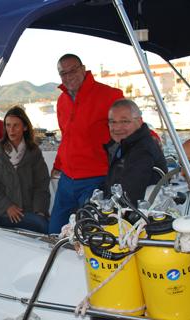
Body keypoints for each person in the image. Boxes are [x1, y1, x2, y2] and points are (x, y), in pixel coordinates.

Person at [49, 54, 124, 233]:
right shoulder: (62, 101)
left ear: (83, 69)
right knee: (54, 231)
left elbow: (130, 123)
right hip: (67, 179)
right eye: (63, 73)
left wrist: (151, 136)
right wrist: (58, 165)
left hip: (95, 178)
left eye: (73, 70)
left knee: (90, 232)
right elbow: (66, 137)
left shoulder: (109, 95)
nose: (68, 76)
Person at [0, 106, 50, 233]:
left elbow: (41, 184)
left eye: (16, 125)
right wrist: (7, 207)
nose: (11, 130)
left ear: (25, 127)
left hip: (29, 210)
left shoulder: (34, 152)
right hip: (4, 213)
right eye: (8, 125)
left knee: (48, 222)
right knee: (44, 226)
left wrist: (40, 211)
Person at [103, 99, 167, 204]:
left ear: (139, 121)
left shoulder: (143, 151)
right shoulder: (125, 144)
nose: (117, 127)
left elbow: (130, 196)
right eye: (112, 122)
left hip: (136, 214)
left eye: (124, 121)